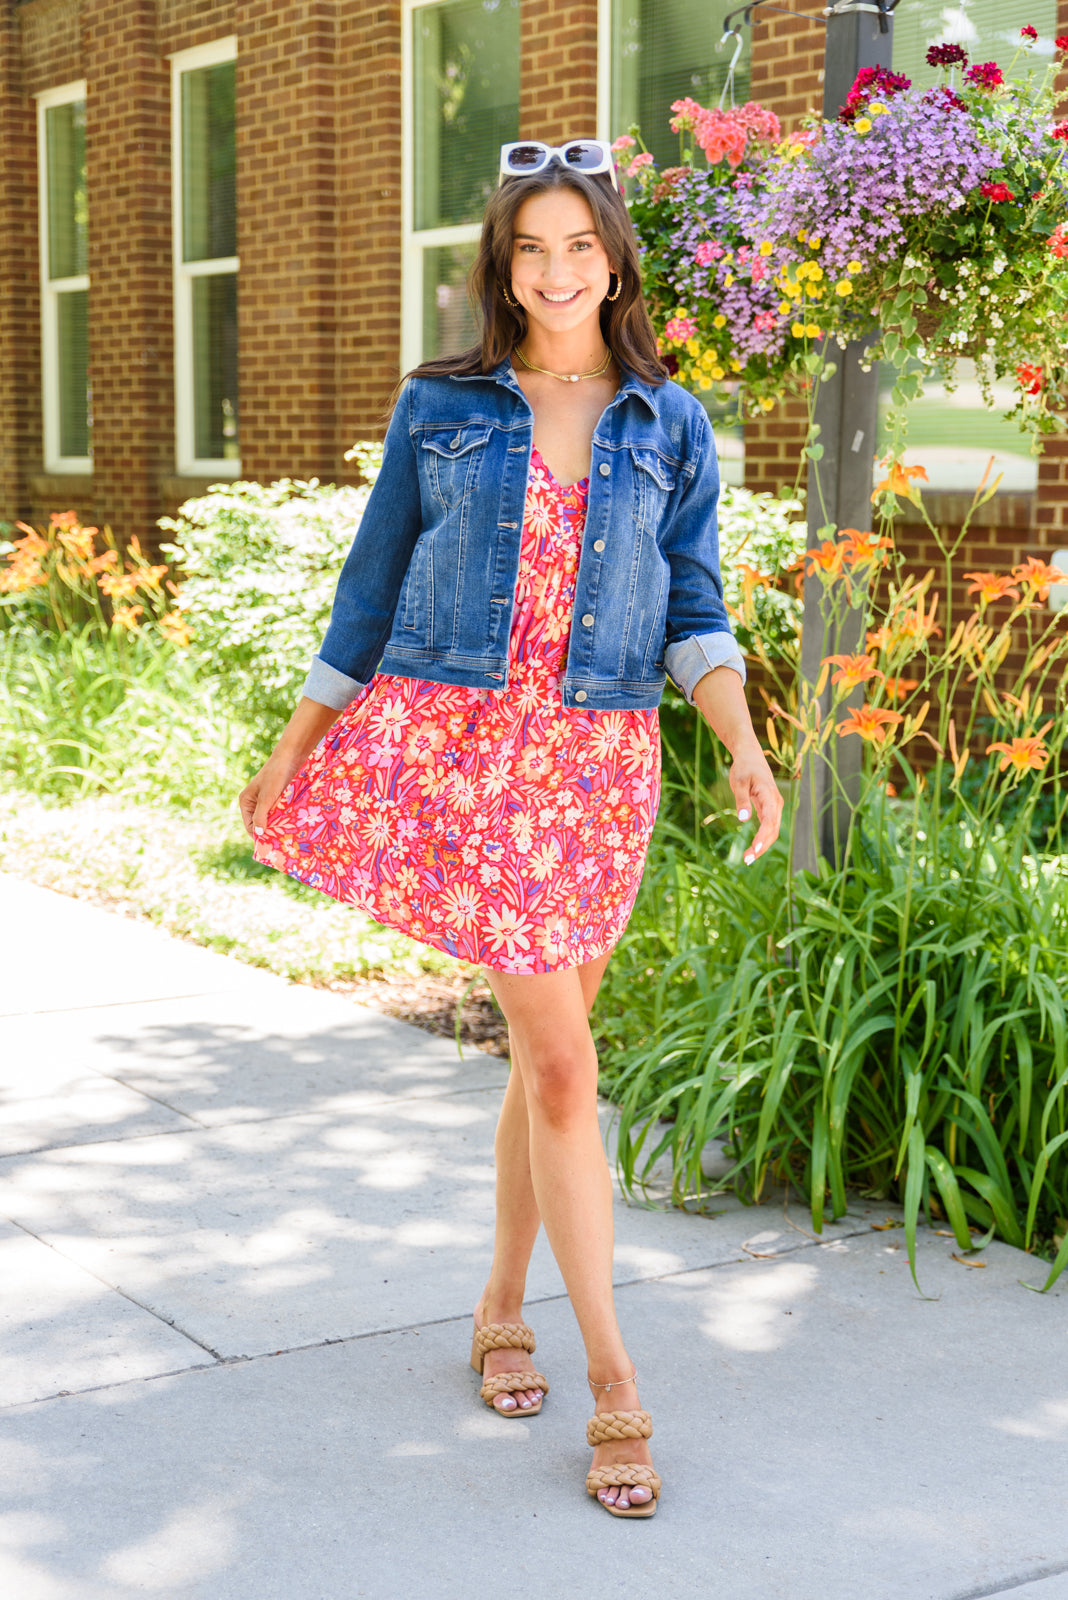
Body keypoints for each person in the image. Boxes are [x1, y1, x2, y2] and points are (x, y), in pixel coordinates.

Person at [239, 137, 782, 1519]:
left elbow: (694, 605)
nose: (555, 271)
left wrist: (741, 741)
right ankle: (615, 1380)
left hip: (602, 766)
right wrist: (295, 741)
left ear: (615, 263)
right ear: (503, 266)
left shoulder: (671, 423)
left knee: (551, 1071)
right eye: (530, 248)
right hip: (472, 760)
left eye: (578, 246)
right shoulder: (444, 407)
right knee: (559, 1067)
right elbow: (370, 586)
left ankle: (497, 1305)